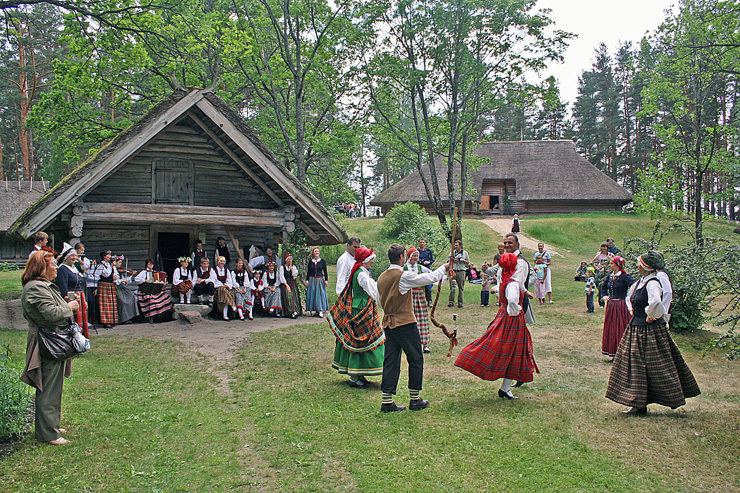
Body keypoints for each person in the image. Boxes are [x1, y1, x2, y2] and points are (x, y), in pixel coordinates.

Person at [606, 252, 700, 415]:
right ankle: (637, 403)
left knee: (656, 365)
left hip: (650, 330)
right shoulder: (641, 282)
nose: (637, 266)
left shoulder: (653, 283)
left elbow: (656, 301)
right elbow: (630, 298)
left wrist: (652, 314)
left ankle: (655, 399)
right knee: (635, 364)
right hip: (637, 327)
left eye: (639, 264)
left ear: (646, 267)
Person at [455, 252, 539, 400]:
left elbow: (515, 286)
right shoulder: (511, 281)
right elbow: (512, 299)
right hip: (511, 319)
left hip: (506, 316)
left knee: (513, 351)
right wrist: (517, 310)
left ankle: (505, 389)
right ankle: (470, 358)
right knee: (506, 348)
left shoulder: (506, 278)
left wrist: (526, 292)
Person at [377, 244, 448, 412]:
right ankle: (415, 400)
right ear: (402, 257)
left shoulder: (381, 277)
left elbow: (379, 299)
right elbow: (429, 278)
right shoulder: (403, 275)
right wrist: (444, 267)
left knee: (391, 360)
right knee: (416, 358)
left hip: (388, 322)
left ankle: (387, 402)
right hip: (405, 323)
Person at [21, 250, 80, 445]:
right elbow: (51, 313)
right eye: (53, 264)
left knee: (54, 386)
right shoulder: (36, 288)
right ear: (42, 268)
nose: (56, 267)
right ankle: (48, 434)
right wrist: (69, 307)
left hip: (52, 338)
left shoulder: (43, 286)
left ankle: (50, 424)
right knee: (48, 387)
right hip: (46, 341)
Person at [328, 246, 385, 388]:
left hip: (364, 307)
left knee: (367, 339)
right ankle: (354, 376)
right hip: (360, 309)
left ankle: (359, 373)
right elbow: (372, 290)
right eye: (371, 259)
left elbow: (374, 287)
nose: (372, 261)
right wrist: (386, 299)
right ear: (366, 260)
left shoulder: (362, 272)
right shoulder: (361, 274)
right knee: (358, 341)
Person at [600, 256, 635, 360]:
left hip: (620, 305)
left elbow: (634, 286)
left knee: (620, 327)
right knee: (611, 327)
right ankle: (612, 351)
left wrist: (630, 298)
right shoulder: (610, 276)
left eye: (612, 263)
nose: (610, 265)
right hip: (611, 305)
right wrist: (604, 295)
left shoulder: (624, 277)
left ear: (617, 265)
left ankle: (622, 352)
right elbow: (603, 287)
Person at [55, 243, 89, 338]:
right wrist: (68, 299)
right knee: (73, 319)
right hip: (71, 297)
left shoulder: (74, 269)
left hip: (79, 296)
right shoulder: (62, 269)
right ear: (66, 257)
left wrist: (84, 299)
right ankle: (74, 337)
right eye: (72, 256)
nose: (74, 258)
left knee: (81, 318)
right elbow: (63, 286)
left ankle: (81, 337)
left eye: (75, 255)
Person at [500, 234, 535, 326]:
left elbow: (515, 282)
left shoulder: (521, 262)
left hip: (516, 304)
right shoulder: (506, 259)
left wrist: (525, 291)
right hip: (506, 303)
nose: (507, 245)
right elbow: (502, 279)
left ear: (517, 244)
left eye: (510, 243)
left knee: (511, 334)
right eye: (505, 243)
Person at [404, 246, 432, 353]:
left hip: (420, 296)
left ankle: (424, 343)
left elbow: (431, 275)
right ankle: (411, 344)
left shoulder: (421, 268)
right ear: (409, 256)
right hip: (407, 296)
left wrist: (443, 277)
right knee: (409, 320)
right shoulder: (404, 268)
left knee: (422, 319)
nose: (415, 258)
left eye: (417, 256)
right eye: (414, 255)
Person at [92, 250, 117, 328]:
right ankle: (106, 322)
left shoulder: (109, 264)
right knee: (105, 304)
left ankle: (112, 320)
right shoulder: (101, 265)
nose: (110, 256)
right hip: (104, 285)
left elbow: (112, 274)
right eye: (108, 255)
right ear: (104, 256)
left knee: (111, 303)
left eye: (110, 255)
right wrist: (111, 266)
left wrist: (115, 276)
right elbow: (106, 274)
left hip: (110, 285)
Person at [113, 256, 139, 324]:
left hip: (123, 288)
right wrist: (124, 280)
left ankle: (130, 317)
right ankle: (122, 319)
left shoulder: (122, 271)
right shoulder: (113, 270)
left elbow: (127, 281)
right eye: (119, 262)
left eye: (121, 262)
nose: (120, 264)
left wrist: (131, 276)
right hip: (116, 288)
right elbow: (116, 281)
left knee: (132, 296)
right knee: (122, 301)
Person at [305, 247, 329, 317]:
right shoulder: (310, 261)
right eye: (315, 251)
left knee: (320, 295)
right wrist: (307, 280)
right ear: (313, 252)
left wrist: (326, 280)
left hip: (319, 279)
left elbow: (325, 271)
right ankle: (316, 309)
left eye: (318, 251)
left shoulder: (322, 261)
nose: (317, 253)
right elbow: (308, 271)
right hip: (312, 280)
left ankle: (320, 310)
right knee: (313, 294)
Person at [448, 239, 469, 308]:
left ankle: (460, 302)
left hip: (461, 271)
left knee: (461, 287)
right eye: (455, 245)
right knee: (452, 287)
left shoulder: (465, 253)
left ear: (460, 246)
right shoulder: (452, 252)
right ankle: (451, 302)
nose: (455, 246)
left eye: (457, 245)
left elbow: (468, 262)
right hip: (453, 270)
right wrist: (453, 259)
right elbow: (449, 261)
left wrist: (463, 260)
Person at [213, 256, 236, 320]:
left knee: (227, 293)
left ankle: (225, 315)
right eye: (220, 261)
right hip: (217, 288)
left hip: (225, 288)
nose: (222, 262)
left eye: (223, 261)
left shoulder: (226, 270)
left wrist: (226, 285)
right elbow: (214, 281)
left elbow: (229, 280)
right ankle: (233, 305)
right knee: (223, 290)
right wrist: (222, 285)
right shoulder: (214, 270)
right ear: (217, 262)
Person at [280, 252, 302, 319]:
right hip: (285, 284)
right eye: (288, 259)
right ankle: (290, 312)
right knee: (288, 296)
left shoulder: (293, 267)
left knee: (294, 297)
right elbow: (281, 277)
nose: (289, 260)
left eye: (291, 259)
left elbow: (294, 276)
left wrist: (291, 267)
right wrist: (287, 285)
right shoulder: (282, 267)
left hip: (292, 283)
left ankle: (295, 311)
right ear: (285, 260)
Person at [417, 238, 435, 302]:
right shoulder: (417, 251)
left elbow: (432, 259)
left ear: (425, 243)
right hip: (419, 270)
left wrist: (429, 262)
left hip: (427, 269)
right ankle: (419, 301)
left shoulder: (428, 251)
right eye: (421, 242)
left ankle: (429, 301)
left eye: (423, 242)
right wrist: (422, 262)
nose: (422, 243)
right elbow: (415, 259)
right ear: (418, 243)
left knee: (428, 285)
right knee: (419, 286)